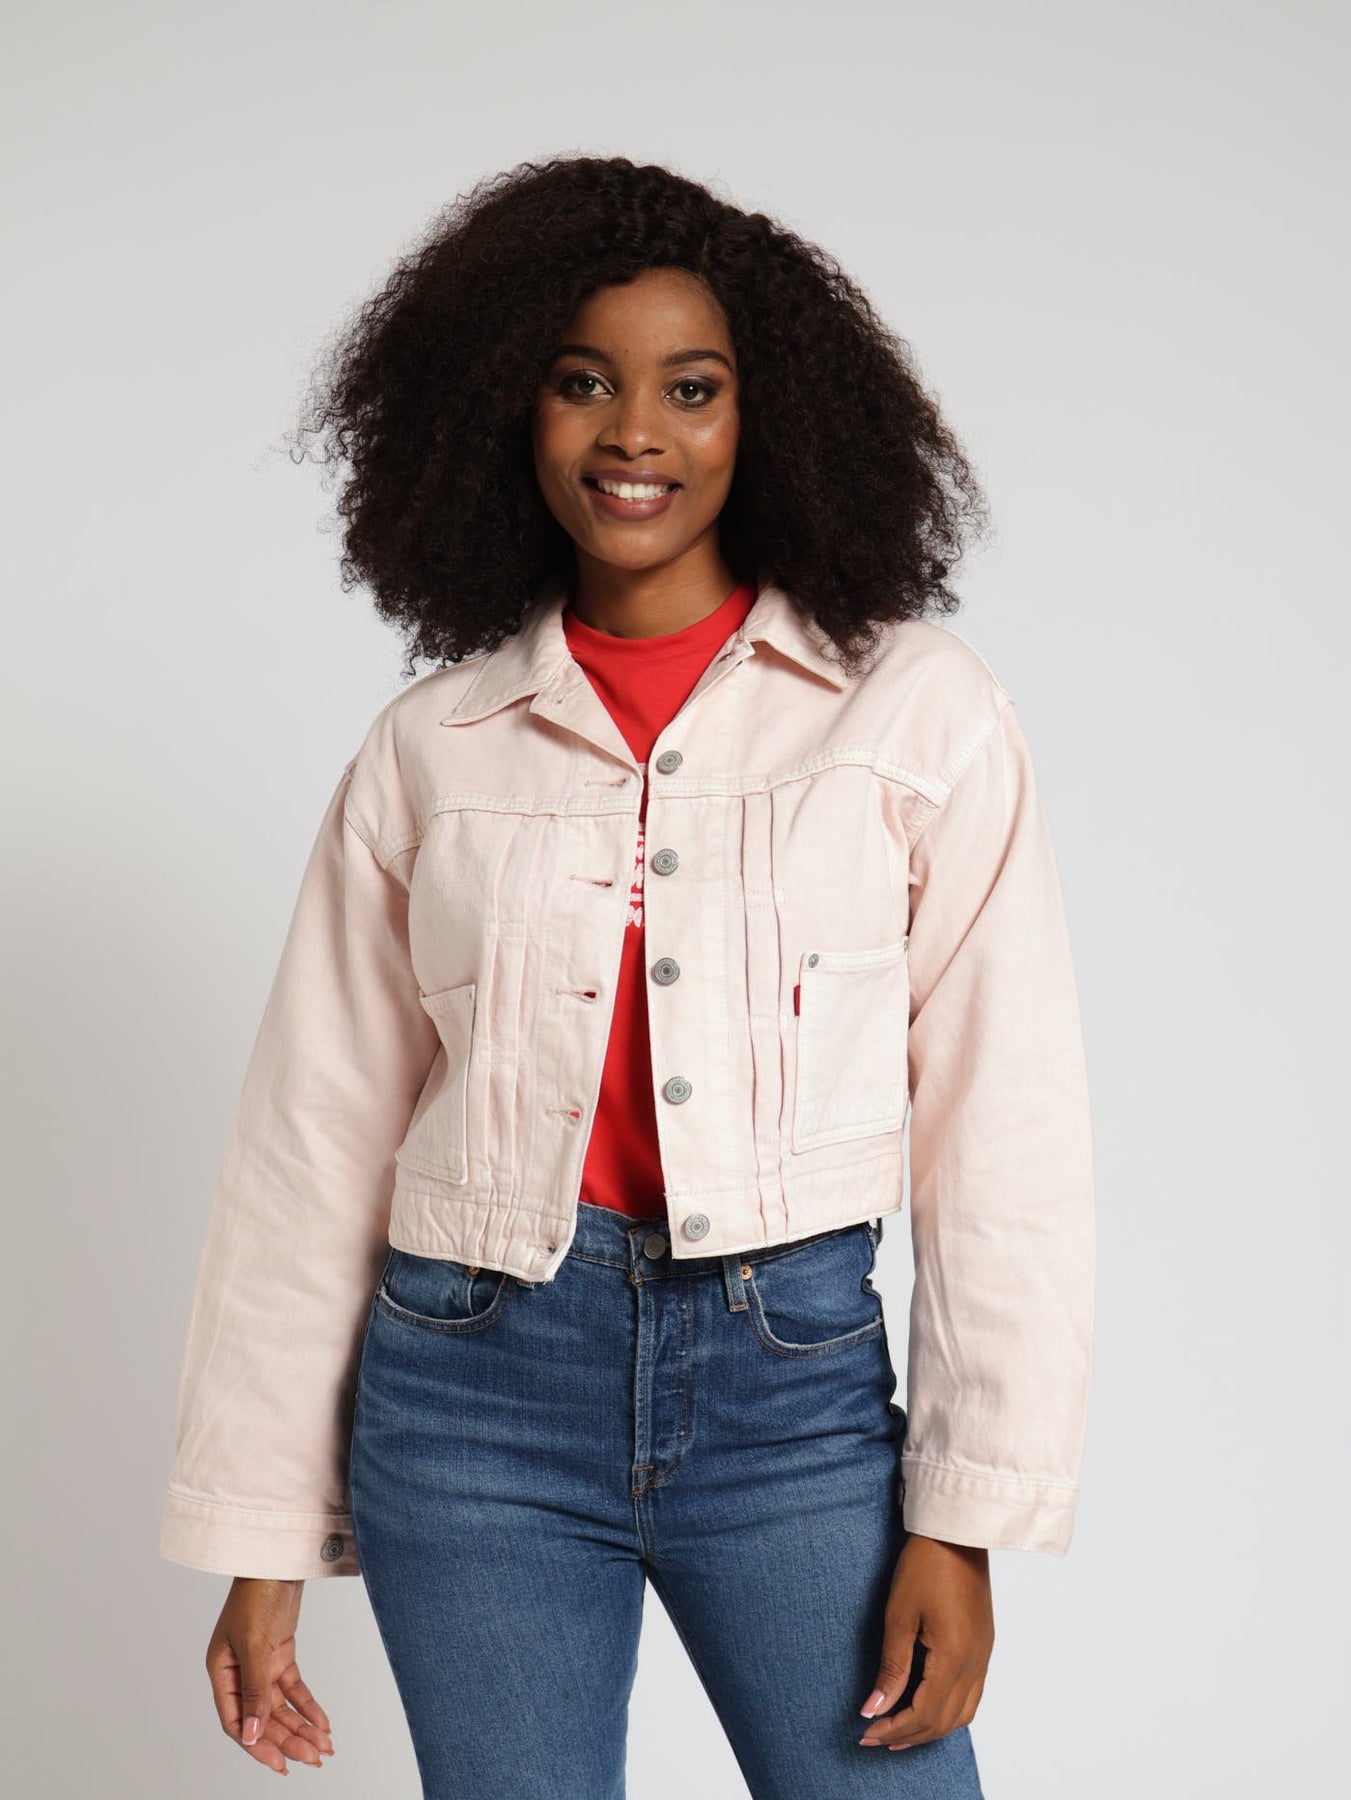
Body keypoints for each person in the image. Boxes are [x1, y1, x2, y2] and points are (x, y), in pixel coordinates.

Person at [159, 154, 1095, 1798]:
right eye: (583, 382)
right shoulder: (433, 748)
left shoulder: (916, 712)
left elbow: (1004, 1130)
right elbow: (311, 1142)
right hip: (471, 1401)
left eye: (692, 387)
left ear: (768, 416)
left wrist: (962, 1519)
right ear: (506, 412)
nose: (634, 432)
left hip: (793, 1400)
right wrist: (261, 1536)